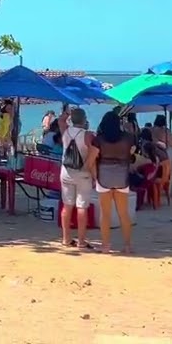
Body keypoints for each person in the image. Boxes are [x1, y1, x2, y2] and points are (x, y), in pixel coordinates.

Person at [88, 110, 134, 254]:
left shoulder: (99, 140)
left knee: (105, 214)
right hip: (122, 177)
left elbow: (91, 162)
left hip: (104, 177)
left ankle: (106, 246)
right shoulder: (128, 138)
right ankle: (127, 246)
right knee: (123, 214)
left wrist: (94, 177)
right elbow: (132, 153)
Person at [59, 107, 96, 250]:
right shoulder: (88, 135)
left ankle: (66, 238)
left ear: (72, 120)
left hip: (66, 172)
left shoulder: (65, 130)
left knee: (67, 206)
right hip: (83, 173)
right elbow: (93, 153)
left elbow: (60, 120)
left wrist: (68, 112)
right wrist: (94, 175)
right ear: (85, 119)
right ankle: (81, 240)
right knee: (82, 207)